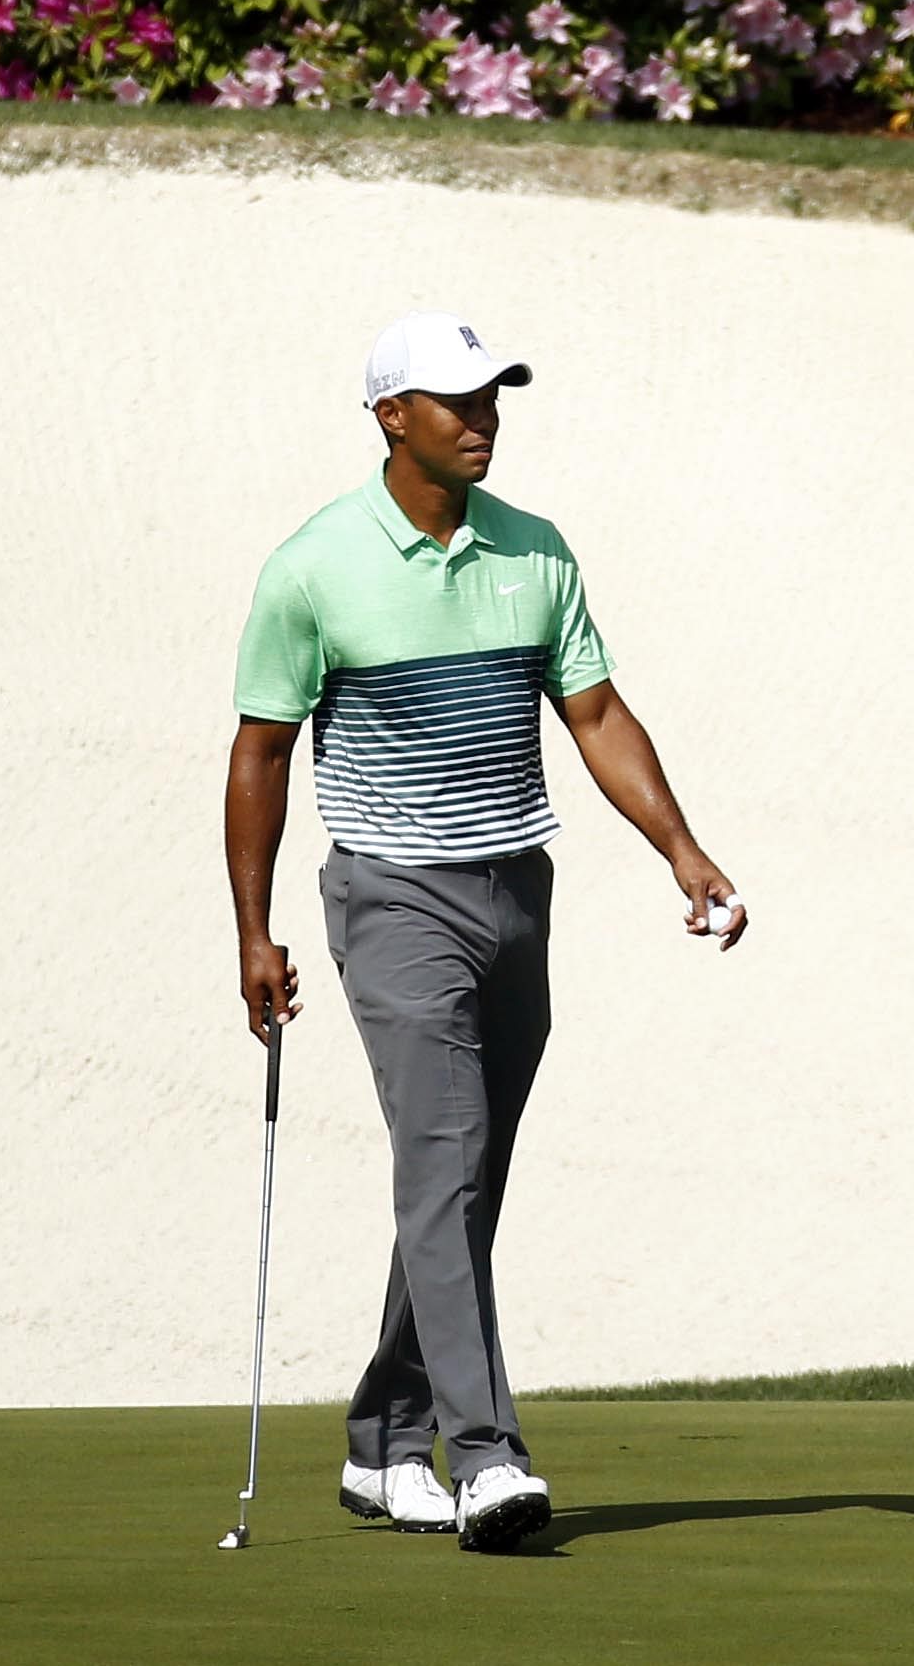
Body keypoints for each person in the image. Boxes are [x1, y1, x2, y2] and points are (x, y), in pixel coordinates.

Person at [225, 308, 750, 1552]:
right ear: (389, 418)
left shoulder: (536, 551)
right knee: (448, 1159)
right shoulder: (313, 567)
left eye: (495, 398)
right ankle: (487, 1457)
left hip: (518, 890)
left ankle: (382, 1440)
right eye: (457, 402)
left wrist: (682, 849)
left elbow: (600, 714)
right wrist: (253, 929)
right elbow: (259, 752)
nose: (484, 419)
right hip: (393, 893)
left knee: (461, 1178)